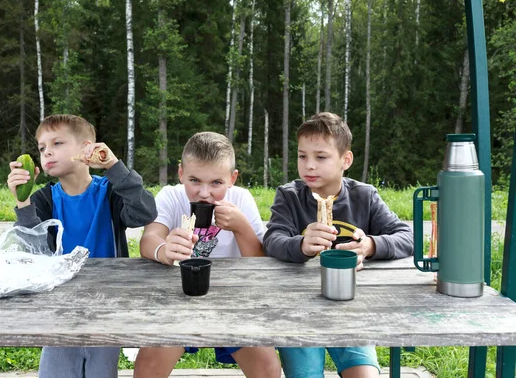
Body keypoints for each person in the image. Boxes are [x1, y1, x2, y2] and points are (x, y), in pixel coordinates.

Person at [263, 112, 413, 378]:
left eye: (320, 157)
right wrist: (301, 246)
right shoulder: (289, 197)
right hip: (297, 312)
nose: (309, 165)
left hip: (352, 310)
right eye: (302, 156)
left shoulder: (363, 196)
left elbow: (406, 236)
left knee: (365, 375)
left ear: (346, 160)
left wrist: (370, 245)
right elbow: (273, 240)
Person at [7, 114, 157, 378]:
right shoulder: (43, 199)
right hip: (58, 305)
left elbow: (144, 212)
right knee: (56, 370)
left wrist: (114, 168)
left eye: (57, 143)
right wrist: (22, 201)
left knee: (101, 371)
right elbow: (32, 250)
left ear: (87, 147)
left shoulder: (110, 192)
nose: (47, 152)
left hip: (106, 304)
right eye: (42, 148)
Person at [133, 132, 281, 378]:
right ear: (181, 173)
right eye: (194, 180)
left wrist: (241, 227)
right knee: (147, 365)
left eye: (216, 183)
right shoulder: (170, 196)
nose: (204, 193)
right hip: (177, 299)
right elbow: (149, 239)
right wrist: (164, 250)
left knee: (268, 368)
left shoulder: (241, 199)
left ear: (232, 179)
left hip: (234, 301)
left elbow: (259, 262)